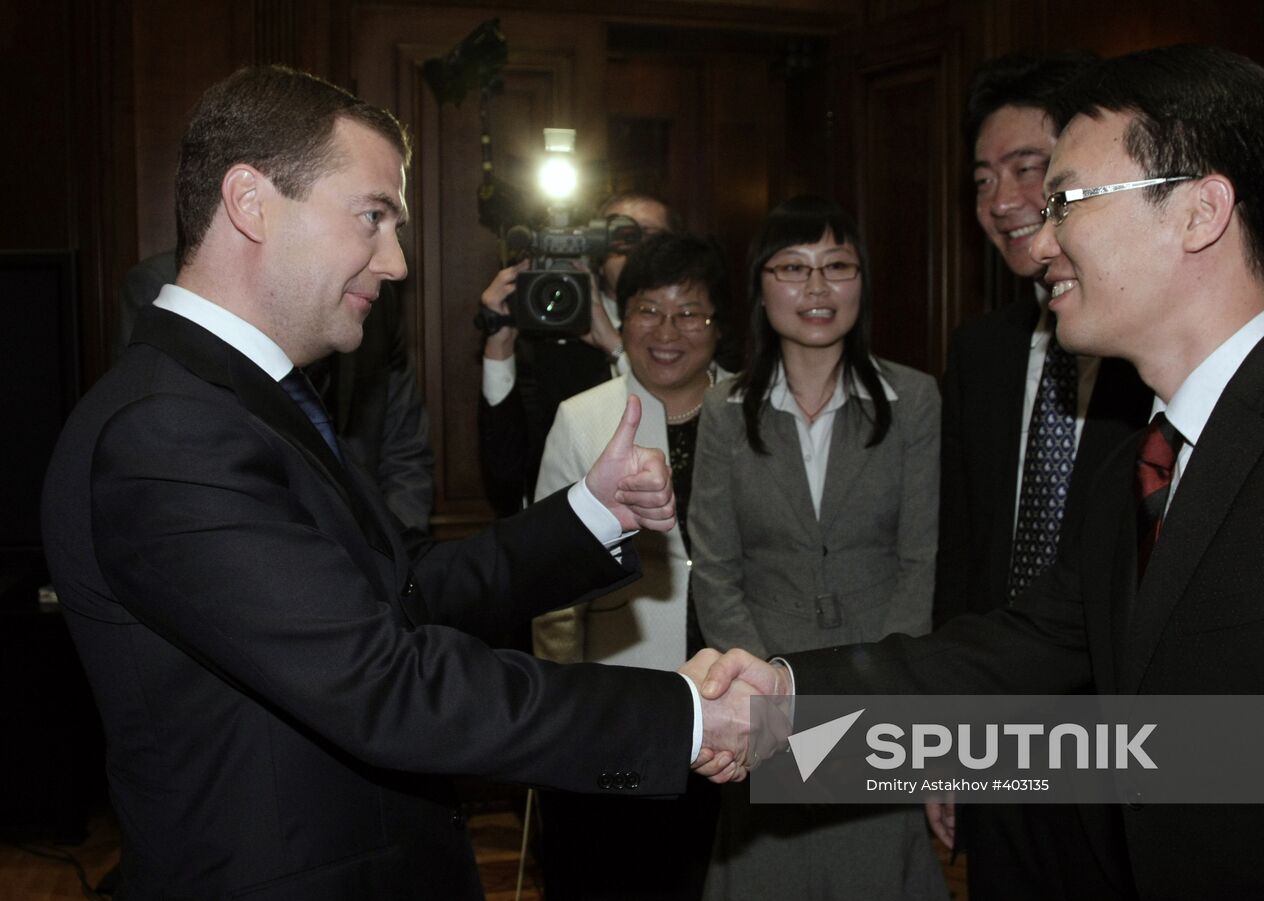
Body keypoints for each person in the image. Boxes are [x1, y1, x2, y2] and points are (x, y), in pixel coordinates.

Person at [700, 44, 1264, 901]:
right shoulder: (1141, 462)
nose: (1038, 241)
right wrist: (784, 700)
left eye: (1066, 200)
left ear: (1198, 212)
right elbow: (1014, 653)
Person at [39, 64, 751, 900]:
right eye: (373, 217)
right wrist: (683, 715)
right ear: (250, 201)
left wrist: (588, 514)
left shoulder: (248, 398)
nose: (398, 261)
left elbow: (398, 590)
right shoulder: (168, 429)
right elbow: (384, 682)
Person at [932, 51, 1150, 899]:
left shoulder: (1151, 358)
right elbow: (965, 555)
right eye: (984, 179)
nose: (1002, 202)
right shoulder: (979, 353)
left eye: (1029, 170)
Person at [689, 196, 947, 900]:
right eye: (794, 268)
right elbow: (714, 567)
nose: (816, 288)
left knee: (874, 869)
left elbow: (919, 559)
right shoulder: (723, 409)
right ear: (760, 287)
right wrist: (766, 696)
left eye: (838, 266)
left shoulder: (914, 399)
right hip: (762, 681)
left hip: (876, 681)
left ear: (862, 282)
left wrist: (888, 690)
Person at [531, 231, 734, 900]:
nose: (668, 330)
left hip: (739, 690)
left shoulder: (756, 410)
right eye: (649, 309)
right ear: (623, 316)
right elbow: (551, 589)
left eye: (690, 311)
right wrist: (560, 715)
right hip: (626, 691)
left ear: (719, 323)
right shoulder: (582, 418)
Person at [115, 251, 436, 543]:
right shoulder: (163, 290)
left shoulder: (375, 300)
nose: (396, 266)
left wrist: (395, 557)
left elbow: (405, 444)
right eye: (371, 216)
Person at [477, 193, 679, 515]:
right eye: (616, 235)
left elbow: (673, 427)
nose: (628, 247)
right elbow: (506, 472)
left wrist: (614, 346)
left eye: (645, 235)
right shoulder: (551, 333)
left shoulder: (690, 333)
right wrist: (499, 341)